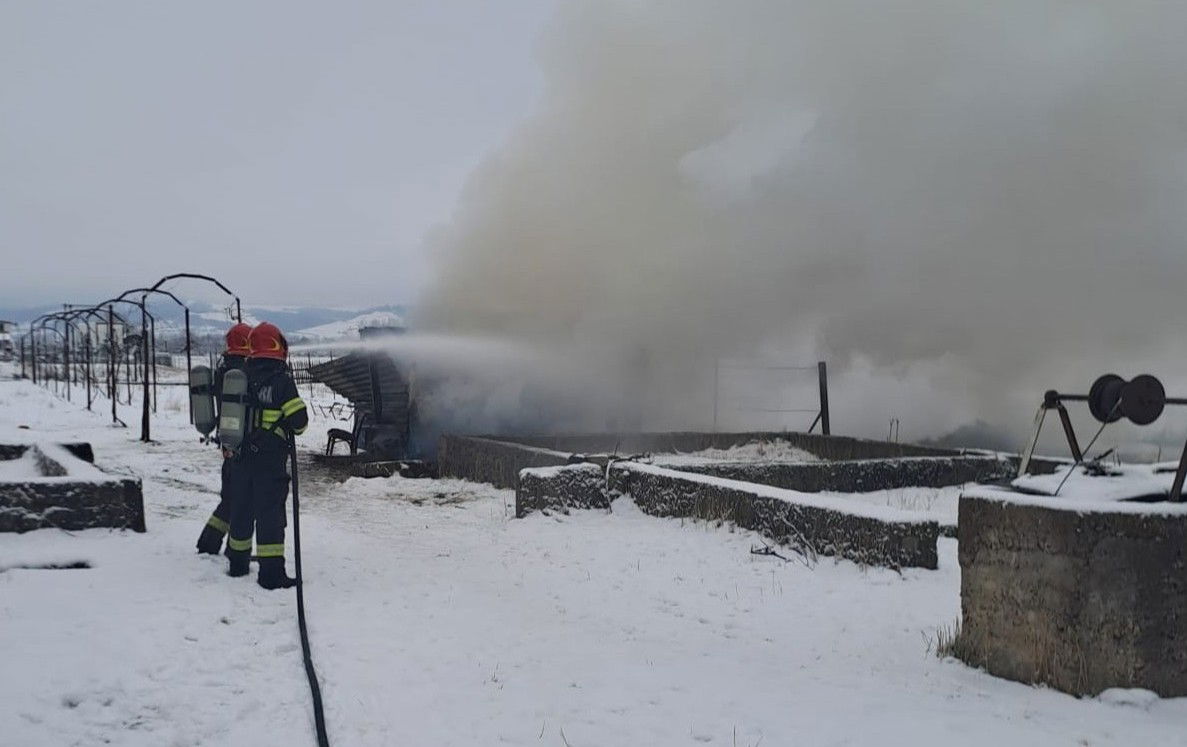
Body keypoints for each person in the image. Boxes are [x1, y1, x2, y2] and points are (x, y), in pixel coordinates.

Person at [225, 322, 308, 590]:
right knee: (270, 515)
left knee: (241, 510)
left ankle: (237, 564)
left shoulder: (240, 376)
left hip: (239, 458)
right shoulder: (281, 381)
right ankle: (271, 575)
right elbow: (300, 423)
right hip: (269, 461)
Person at [195, 322, 253, 555]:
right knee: (238, 500)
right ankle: (226, 548)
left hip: (228, 442)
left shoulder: (223, 373)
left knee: (230, 497)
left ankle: (209, 542)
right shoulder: (244, 374)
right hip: (244, 445)